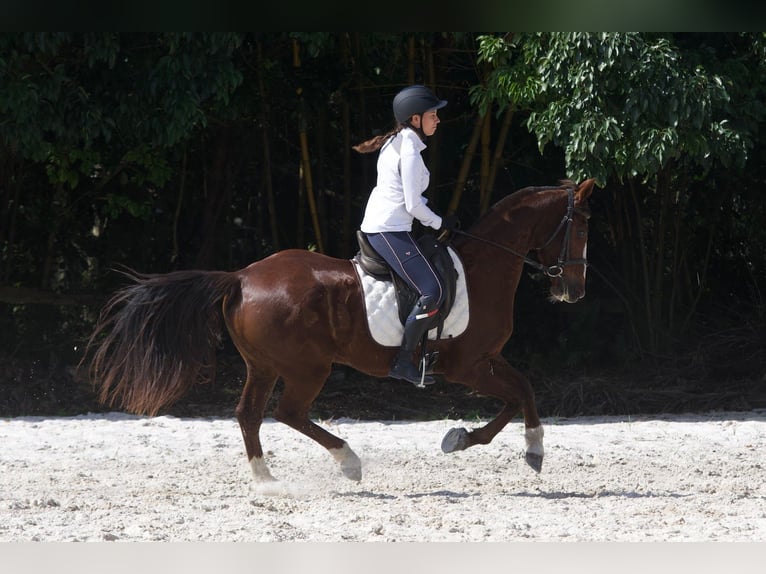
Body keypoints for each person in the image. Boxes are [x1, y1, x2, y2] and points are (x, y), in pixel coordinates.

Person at [354, 84, 459, 386]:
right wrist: (440, 223)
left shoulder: (400, 141)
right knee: (432, 290)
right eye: (433, 114)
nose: (437, 119)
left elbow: (407, 196)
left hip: (388, 224)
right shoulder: (409, 149)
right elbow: (412, 204)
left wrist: (439, 217)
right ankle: (403, 361)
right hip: (388, 229)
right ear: (415, 119)